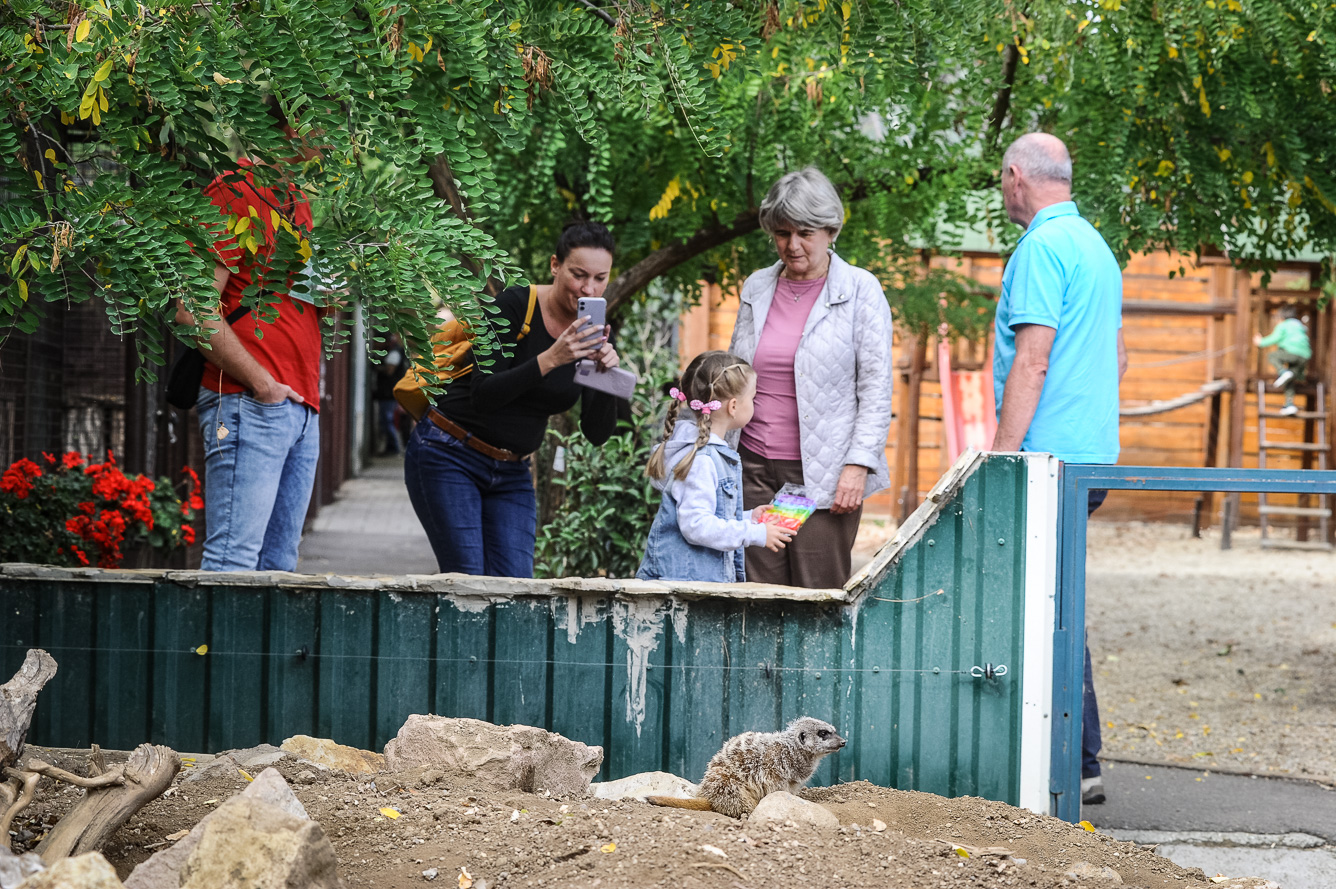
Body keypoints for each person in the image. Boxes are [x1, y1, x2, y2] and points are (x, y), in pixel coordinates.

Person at [990, 132, 1128, 807]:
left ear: (1017, 176)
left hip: (1047, 459)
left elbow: (1033, 357)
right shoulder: (1097, 247)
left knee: (1042, 610)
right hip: (1092, 453)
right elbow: (1119, 358)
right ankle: (1077, 761)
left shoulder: (1042, 247)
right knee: (1056, 602)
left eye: (1001, 178)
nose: (1001, 189)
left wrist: (1001, 454)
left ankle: (1068, 763)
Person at [404, 221, 628, 577]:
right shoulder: (513, 306)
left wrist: (603, 376)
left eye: (600, 278)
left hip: (512, 471)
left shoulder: (595, 333)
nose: (589, 288)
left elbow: (597, 433)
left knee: (516, 587)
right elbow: (484, 395)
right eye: (579, 274)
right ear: (555, 265)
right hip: (449, 451)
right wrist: (552, 358)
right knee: (467, 581)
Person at [727, 167, 895, 589]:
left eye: (805, 233)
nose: (792, 245)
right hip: (752, 468)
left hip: (821, 476)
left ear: (830, 230)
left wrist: (857, 465)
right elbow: (735, 374)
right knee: (755, 597)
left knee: (816, 597)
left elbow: (876, 389)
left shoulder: (861, 290)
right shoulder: (757, 287)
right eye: (782, 233)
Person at [175, 103, 322, 573]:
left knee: (278, 567)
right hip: (250, 400)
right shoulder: (237, 189)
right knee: (232, 561)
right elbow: (194, 310)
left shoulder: (297, 200)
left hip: (301, 406)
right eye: (329, 124)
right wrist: (263, 385)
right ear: (295, 123)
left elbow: (294, 301)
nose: (339, 140)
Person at [637, 352, 794, 583]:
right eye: (753, 397)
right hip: (685, 587)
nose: (754, 403)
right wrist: (754, 533)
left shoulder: (705, 453)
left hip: (693, 582)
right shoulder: (703, 460)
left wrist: (748, 518)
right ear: (733, 406)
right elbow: (696, 525)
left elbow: (707, 514)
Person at [1255, 307, 1310, 416]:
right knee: (1290, 380)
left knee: (1272, 356)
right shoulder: (1299, 326)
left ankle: (1282, 371)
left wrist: (1260, 342)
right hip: (1305, 356)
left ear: (1282, 317)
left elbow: (1274, 338)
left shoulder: (1284, 325)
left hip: (1291, 353)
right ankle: (1289, 405)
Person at [373, 333, 408, 454]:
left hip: (389, 393)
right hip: (388, 393)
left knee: (388, 420)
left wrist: (376, 367)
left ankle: (394, 447)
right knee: (387, 420)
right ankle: (392, 446)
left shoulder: (394, 353)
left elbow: (389, 371)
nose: (376, 344)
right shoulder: (394, 352)